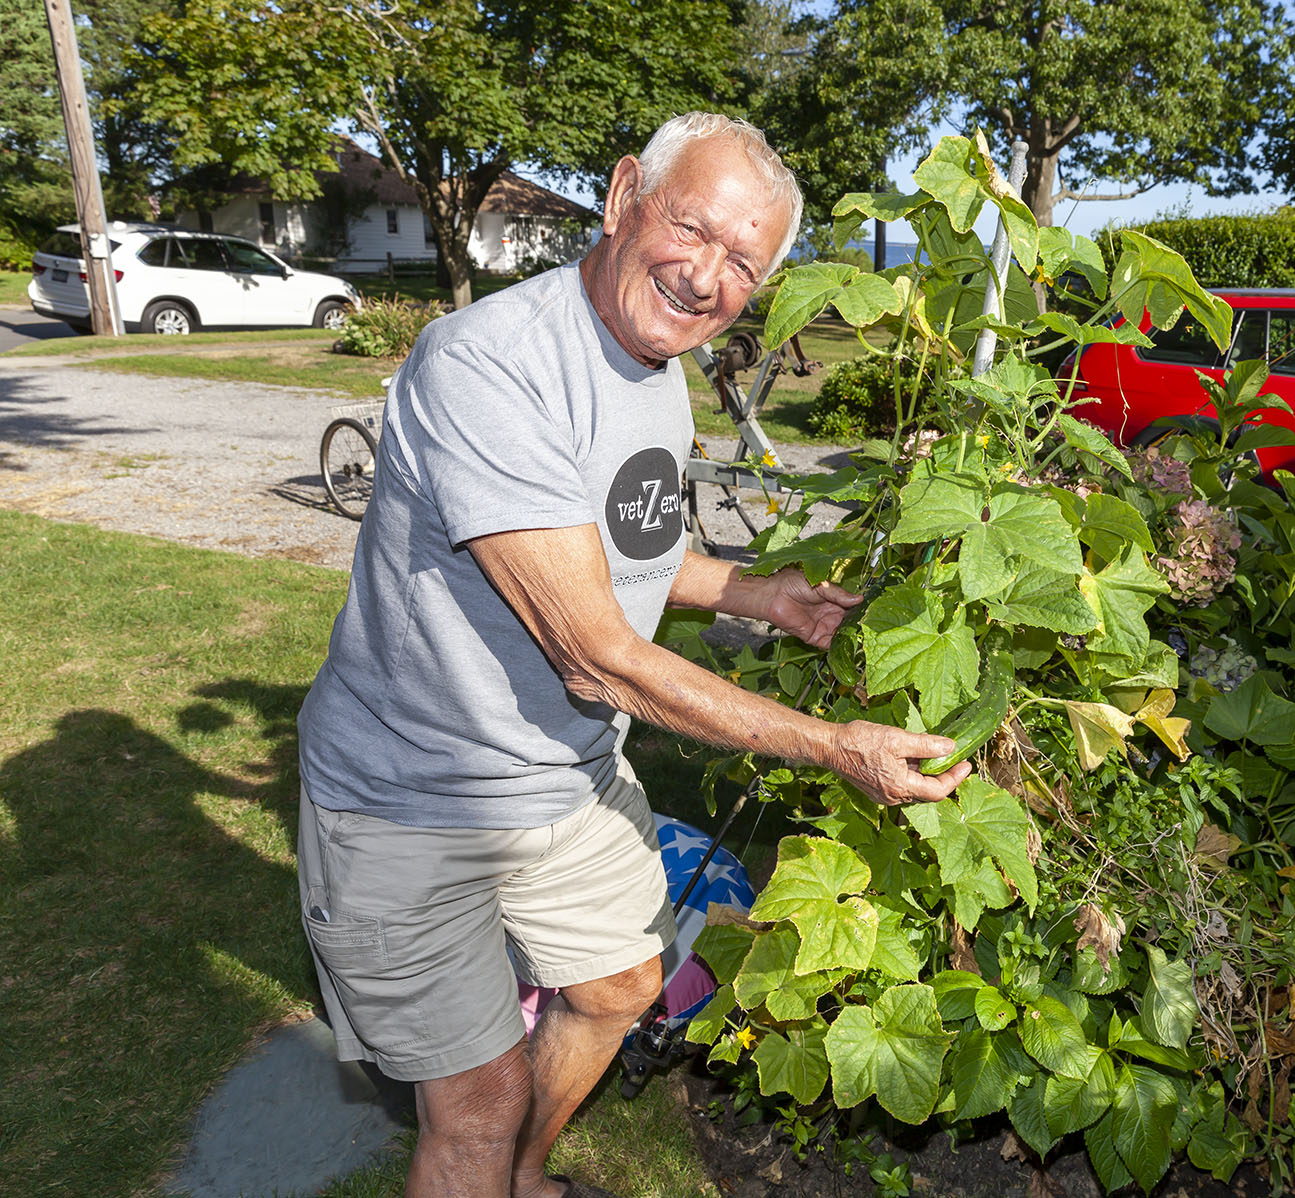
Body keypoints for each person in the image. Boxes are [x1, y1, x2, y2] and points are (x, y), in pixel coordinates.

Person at [294, 112, 971, 1198]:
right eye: (691, 229)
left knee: (619, 986)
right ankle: (495, 1162)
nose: (706, 277)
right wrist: (833, 745)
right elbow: (597, 655)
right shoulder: (492, 363)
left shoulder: (653, 366)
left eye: (743, 262)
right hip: (412, 798)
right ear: (622, 199)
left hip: (564, 775)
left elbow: (619, 545)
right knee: (475, 1107)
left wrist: (757, 593)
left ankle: (520, 1179)